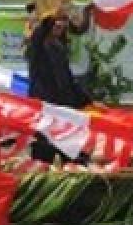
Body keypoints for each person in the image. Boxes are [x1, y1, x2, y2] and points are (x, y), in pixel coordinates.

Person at [27, 9, 94, 164]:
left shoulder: (59, 48)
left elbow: (68, 79)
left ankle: (73, 164)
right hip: (45, 102)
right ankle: (42, 168)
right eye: (56, 24)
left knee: (69, 142)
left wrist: (86, 100)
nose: (59, 27)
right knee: (44, 146)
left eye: (62, 25)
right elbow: (41, 31)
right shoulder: (37, 47)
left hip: (63, 102)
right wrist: (52, 12)